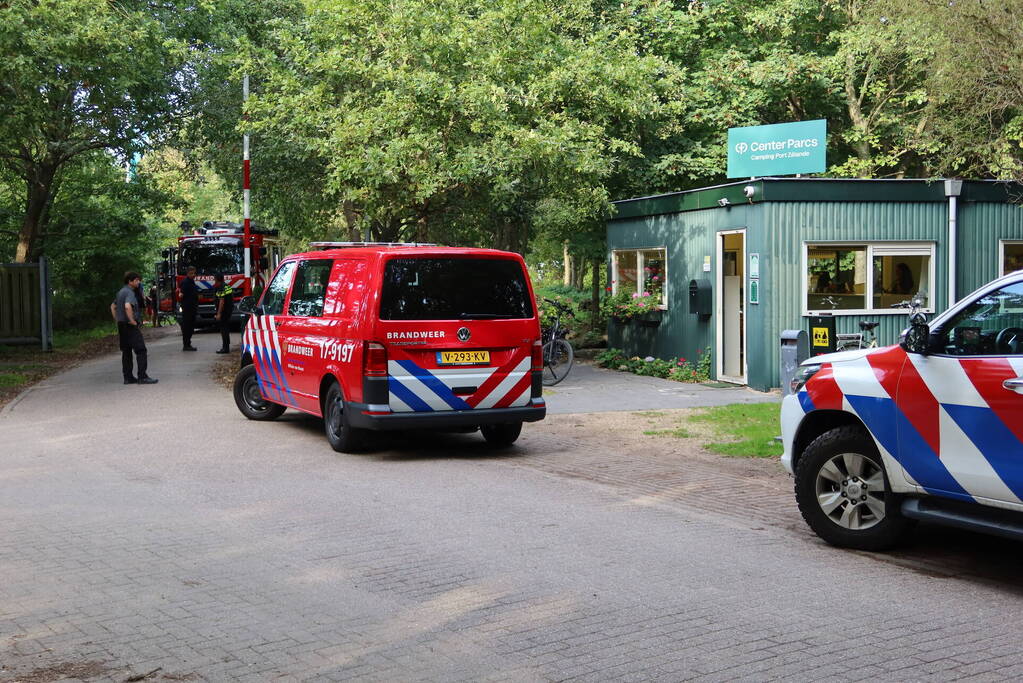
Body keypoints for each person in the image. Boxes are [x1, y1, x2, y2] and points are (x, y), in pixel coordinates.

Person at [111, 271, 158, 385]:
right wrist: (132, 321)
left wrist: (117, 319)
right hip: (130, 326)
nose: (139, 282)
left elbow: (112, 306)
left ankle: (128, 377)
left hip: (122, 325)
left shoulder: (120, 292)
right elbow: (128, 306)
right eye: (136, 280)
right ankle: (142, 376)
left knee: (126, 351)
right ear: (130, 281)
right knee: (141, 350)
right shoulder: (129, 292)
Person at [213, 273, 234, 354]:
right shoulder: (226, 286)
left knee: (223, 329)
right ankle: (226, 346)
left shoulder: (221, 287)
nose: (214, 282)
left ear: (217, 280)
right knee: (225, 328)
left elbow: (222, 301)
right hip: (228, 310)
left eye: (215, 280)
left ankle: (225, 348)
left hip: (224, 311)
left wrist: (219, 314)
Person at [180, 267, 199, 351]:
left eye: (194, 273)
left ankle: (188, 344)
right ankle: (186, 345)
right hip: (188, 308)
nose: (193, 275)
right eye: (191, 273)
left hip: (192, 307)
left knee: (191, 326)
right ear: (187, 273)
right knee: (187, 326)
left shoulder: (191, 281)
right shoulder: (186, 282)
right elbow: (181, 294)